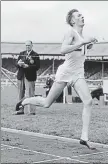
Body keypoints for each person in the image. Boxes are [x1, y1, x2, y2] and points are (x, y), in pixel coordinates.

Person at [15, 9, 98, 149]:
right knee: (47, 103)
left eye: (82, 15)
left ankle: (84, 137)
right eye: (78, 16)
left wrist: (88, 45)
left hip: (78, 73)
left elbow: (78, 50)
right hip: (66, 72)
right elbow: (63, 49)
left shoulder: (81, 35)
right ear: (72, 20)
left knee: (88, 101)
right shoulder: (70, 32)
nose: (82, 16)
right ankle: (26, 100)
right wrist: (83, 42)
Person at [15, 40, 40, 115]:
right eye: (26, 45)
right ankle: (21, 110)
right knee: (20, 94)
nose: (27, 47)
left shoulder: (36, 55)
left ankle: (32, 111)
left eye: (29, 45)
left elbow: (37, 67)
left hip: (30, 77)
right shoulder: (21, 53)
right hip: (21, 76)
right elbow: (15, 63)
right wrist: (18, 64)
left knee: (30, 94)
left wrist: (28, 66)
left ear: (32, 45)